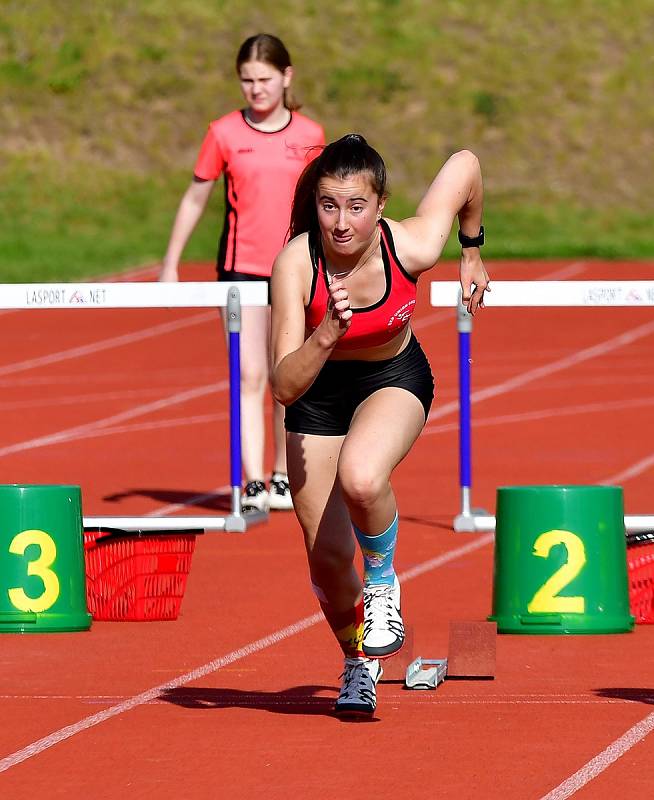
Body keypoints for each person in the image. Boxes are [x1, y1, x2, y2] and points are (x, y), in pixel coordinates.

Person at [269, 134, 489, 717]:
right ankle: (359, 664)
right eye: (329, 205)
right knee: (326, 560)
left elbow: (465, 165)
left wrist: (471, 250)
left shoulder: (412, 246)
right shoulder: (295, 264)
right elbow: (285, 385)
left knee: (362, 477)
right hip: (315, 392)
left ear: (381, 205)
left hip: (392, 377)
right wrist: (326, 335)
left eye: (356, 206)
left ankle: (384, 581)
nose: (342, 222)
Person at [159, 34, 325, 513]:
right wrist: (171, 263)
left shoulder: (310, 135)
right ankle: (253, 480)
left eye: (264, 80)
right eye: (247, 81)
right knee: (249, 373)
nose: (255, 90)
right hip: (239, 271)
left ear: (286, 77)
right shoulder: (225, 133)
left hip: (294, 268)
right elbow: (196, 196)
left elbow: (326, 201)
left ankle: (280, 474)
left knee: (286, 375)